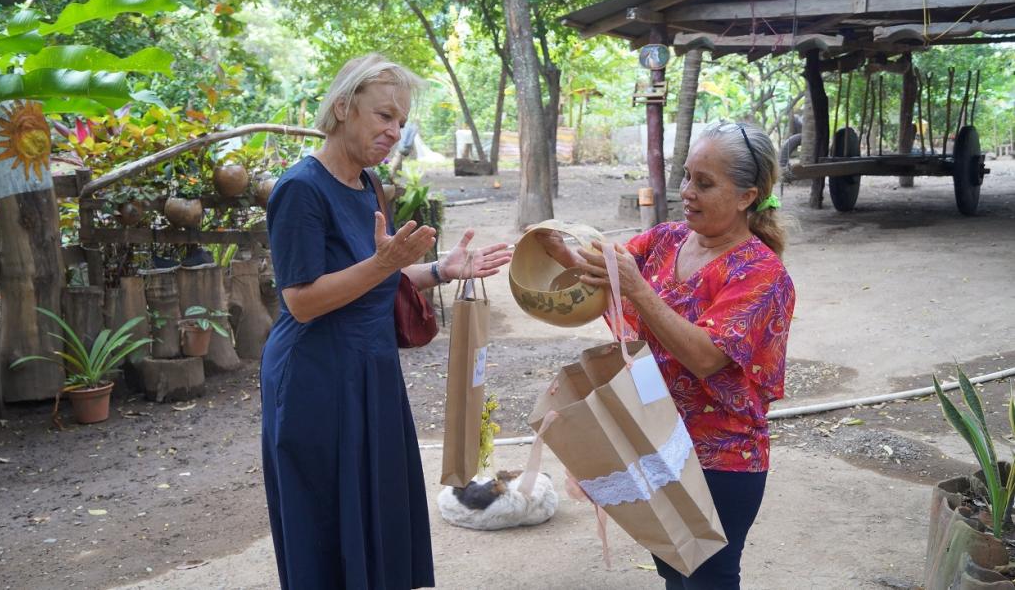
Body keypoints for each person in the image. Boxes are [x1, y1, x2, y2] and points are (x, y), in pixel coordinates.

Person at [260, 53, 511, 590]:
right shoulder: (300, 189)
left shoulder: (368, 185)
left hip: (371, 369)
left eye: (400, 121)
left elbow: (377, 278)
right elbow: (301, 300)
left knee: (377, 506)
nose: (394, 131)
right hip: (316, 377)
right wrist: (385, 263)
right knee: (326, 516)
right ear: (344, 107)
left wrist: (442, 270)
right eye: (384, 116)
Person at [545, 121, 795, 589]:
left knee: (708, 577)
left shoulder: (761, 273)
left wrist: (638, 289)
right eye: (686, 177)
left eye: (705, 183)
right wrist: (559, 249)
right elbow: (603, 275)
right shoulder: (666, 240)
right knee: (673, 569)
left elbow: (705, 356)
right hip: (656, 441)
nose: (687, 192)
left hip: (721, 458)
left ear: (747, 196)